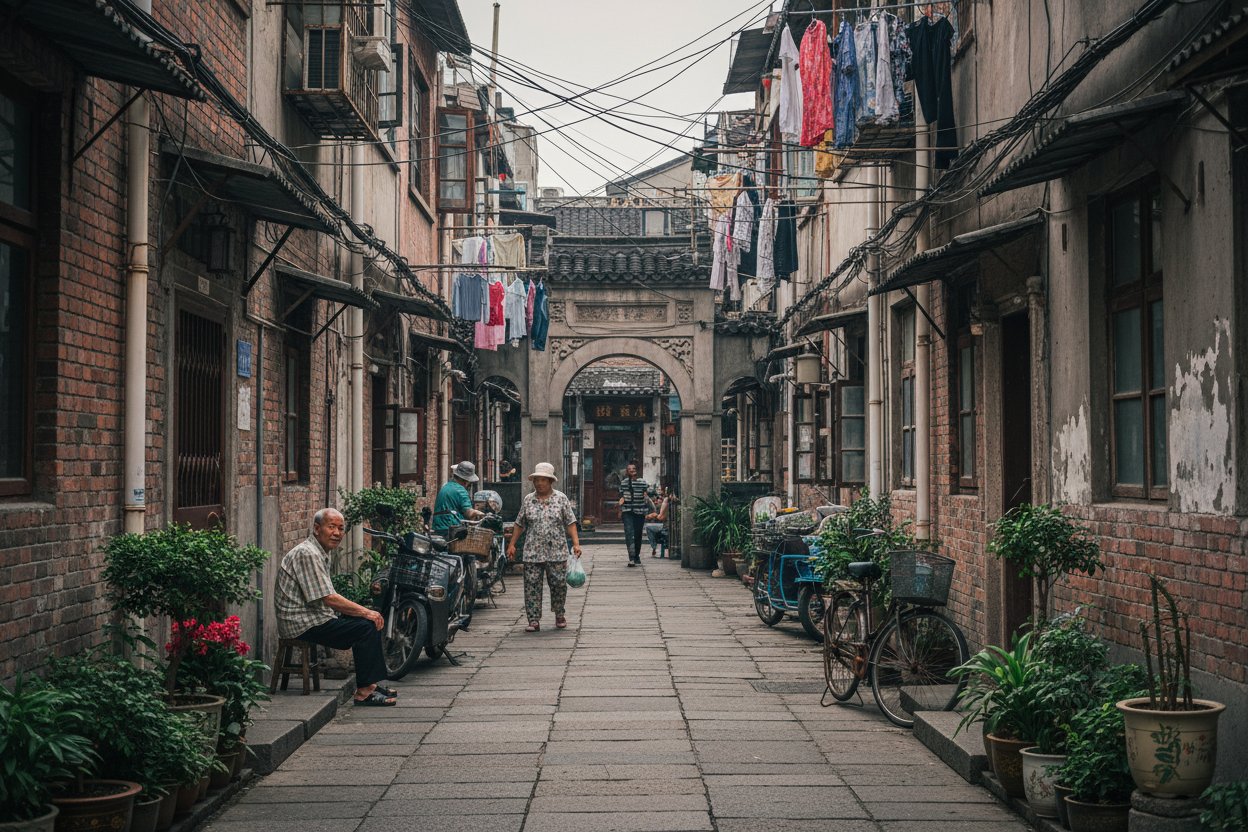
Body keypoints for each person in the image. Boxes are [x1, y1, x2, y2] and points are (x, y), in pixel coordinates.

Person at [274, 508, 396, 706]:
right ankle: (364, 691)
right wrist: (366, 611)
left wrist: (365, 614)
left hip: (314, 617)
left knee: (367, 622)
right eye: (331, 527)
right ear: (316, 528)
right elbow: (328, 598)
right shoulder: (308, 553)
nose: (337, 533)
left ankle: (370, 685)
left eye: (340, 528)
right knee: (366, 627)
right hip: (301, 623)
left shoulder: (319, 552)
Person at [507, 462, 582, 632]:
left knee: (558, 584)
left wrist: (576, 544)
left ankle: (559, 613)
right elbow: (520, 524)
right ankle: (533, 619)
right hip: (532, 551)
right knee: (531, 584)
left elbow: (570, 522)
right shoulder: (528, 500)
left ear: (550, 481)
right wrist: (512, 545)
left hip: (557, 551)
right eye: (536, 480)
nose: (539, 483)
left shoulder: (561, 499)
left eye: (543, 480)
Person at [432, 461, 485, 534]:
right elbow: (468, 513)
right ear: (466, 481)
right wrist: (481, 514)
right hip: (451, 528)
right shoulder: (461, 490)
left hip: (438, 527)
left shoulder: (446, 486)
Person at [618, 462, 653, 567]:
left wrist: (646, 498)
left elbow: (648, 493)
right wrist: (620, 508)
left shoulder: (642, 483)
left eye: (633, 469)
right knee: (629, 533)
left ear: (636, 471)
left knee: (638, 534)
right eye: (630, 469)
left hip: (640, 511)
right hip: (627, 511)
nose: (632, 471)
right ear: (627, 471)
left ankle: (636, 555)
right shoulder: (624, 483)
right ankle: (632, 557)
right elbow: (621, 496)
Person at [644, 488, 674, 558]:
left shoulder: (666, 500)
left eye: (661, 490)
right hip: (671, 525)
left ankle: (654, 547)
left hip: (666, 526)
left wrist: (654, 515)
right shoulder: (673, 499)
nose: (659, 491)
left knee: (648, 527)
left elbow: (660, 517)